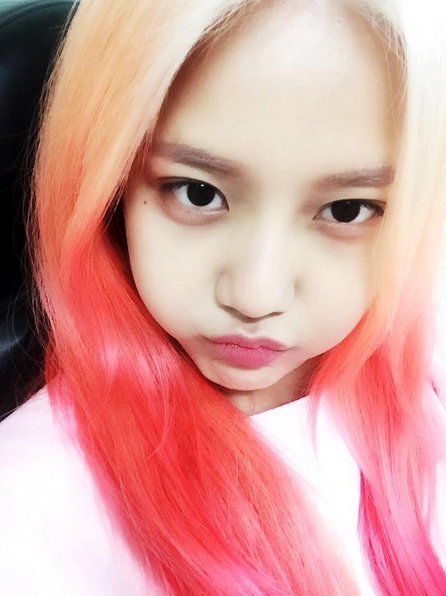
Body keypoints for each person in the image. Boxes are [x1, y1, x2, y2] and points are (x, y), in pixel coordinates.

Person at [1, 0, 446, 593]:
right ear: (111, 183)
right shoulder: (31, 510)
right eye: (198, 193)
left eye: (347, 210)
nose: (256, 296)